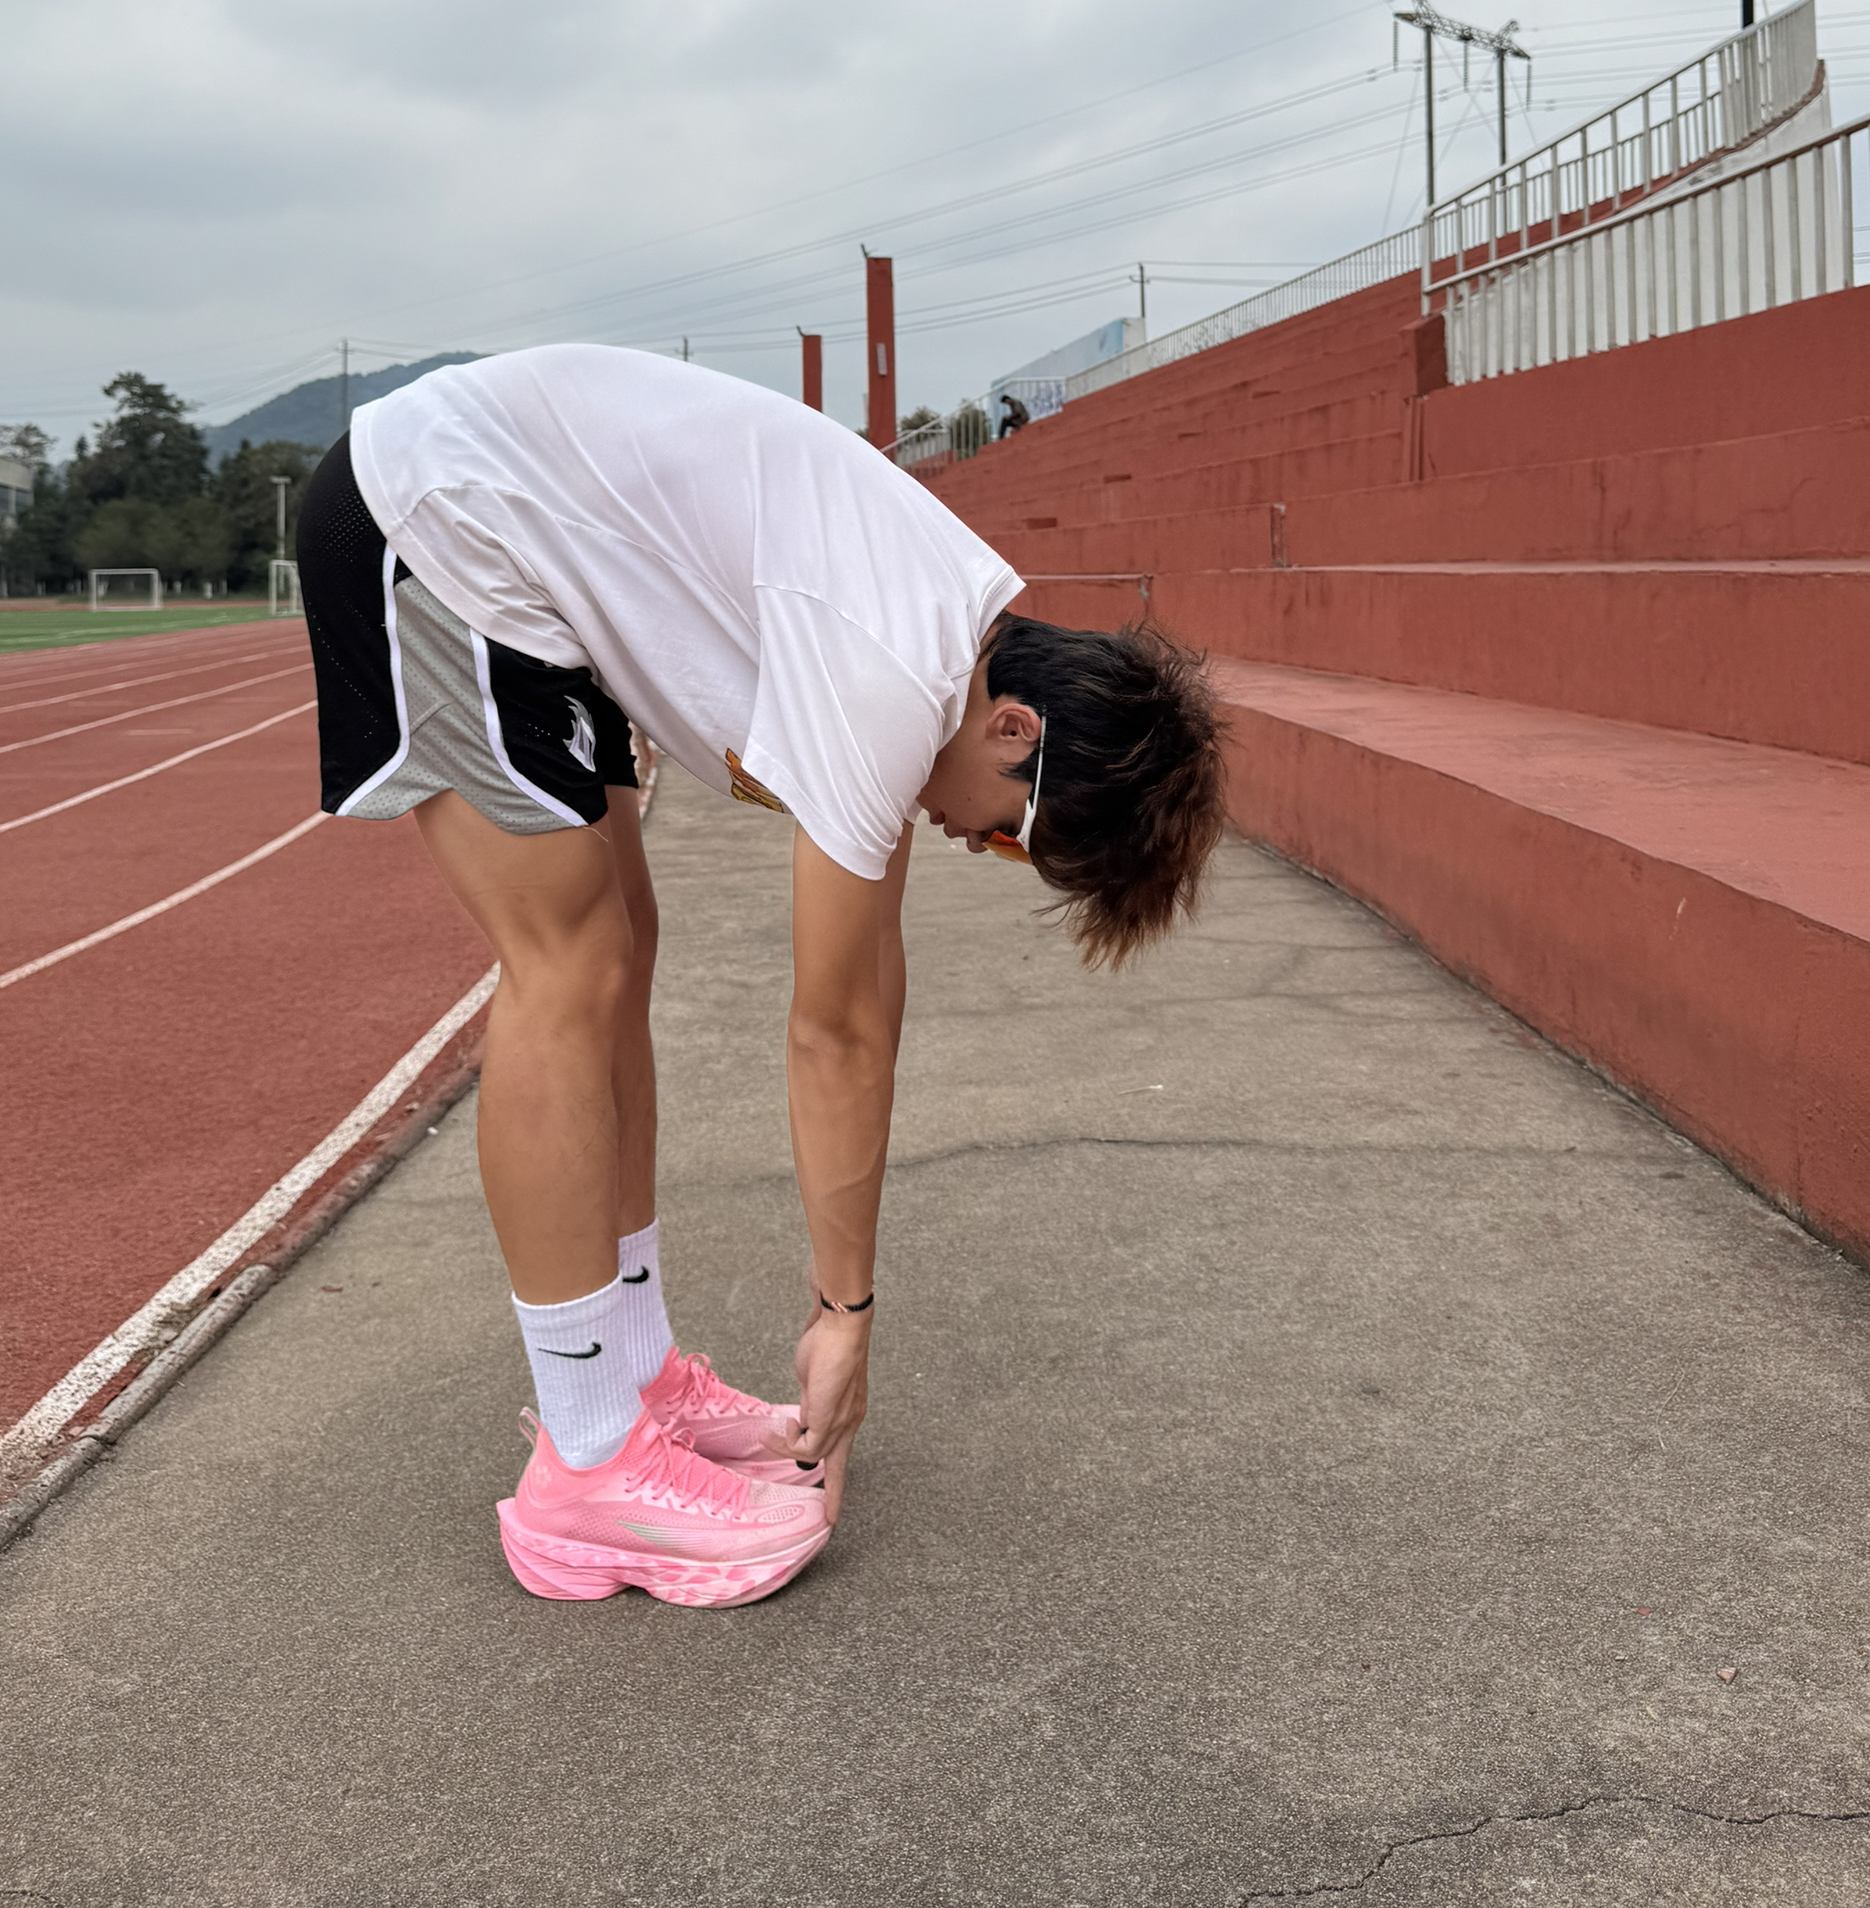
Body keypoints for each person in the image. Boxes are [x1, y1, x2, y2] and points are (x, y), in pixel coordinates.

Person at [297, 344, 1225, 1610]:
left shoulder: (940, 644)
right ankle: (584, 1463)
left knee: (620, 943)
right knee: (566, 964)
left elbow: (871, 982)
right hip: (439, 518)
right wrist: (844, 1315)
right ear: (1015, 728)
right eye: (1014, 834)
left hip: (509, 539)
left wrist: (849, 1305)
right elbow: (830, 1029)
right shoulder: (894, 669)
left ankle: (632, 1376)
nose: (978, 847)